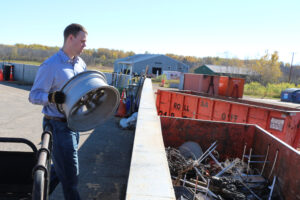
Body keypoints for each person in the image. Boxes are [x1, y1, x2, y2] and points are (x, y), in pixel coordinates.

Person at [29, 23, 88, 200]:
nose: (85, 45)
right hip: (57, 125)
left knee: (60, 167)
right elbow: (33, 96)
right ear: (71, 38)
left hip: (73, 123)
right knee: (71, 174)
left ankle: (35, 192)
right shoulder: (51, 66)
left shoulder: (80, 64)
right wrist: (52, 97)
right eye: (82, 41)